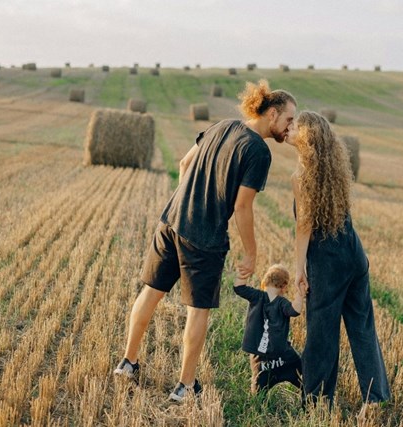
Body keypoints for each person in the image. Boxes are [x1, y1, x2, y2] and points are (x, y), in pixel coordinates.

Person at [113, 80, 297, 402]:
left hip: (171, 220)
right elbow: (242, 206)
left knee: (151, 292)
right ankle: (185, 386)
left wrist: (189, 202)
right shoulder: (258, 151)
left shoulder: (222, 125)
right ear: (271, 114)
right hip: (205, 238)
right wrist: (251, 254)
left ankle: (127, 363)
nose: (290, 127)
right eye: (288, 120)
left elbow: (184, 164)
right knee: (197, 311)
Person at [287, 111, 390, 406]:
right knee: (363, 329)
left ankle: (317, 400)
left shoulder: (302, 176)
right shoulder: (334, 170)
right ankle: (377, 398)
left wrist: (299, 269)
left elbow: (303, 226)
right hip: (354, 255)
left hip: (328, 262)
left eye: (295, 126)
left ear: (307, 136)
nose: (289, 128)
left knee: (321, 332)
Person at [233, 264, 306, 395]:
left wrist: (242, 272)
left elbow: (239, 288)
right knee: (304, 378)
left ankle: (257, 403)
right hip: (284, 356)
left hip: (260, 359)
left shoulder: (256, 296)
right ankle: (311, 397)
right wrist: (300, 293)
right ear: (284, 287)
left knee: (258, 392)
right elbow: (295, 310)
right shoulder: (282, 303)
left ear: (264, 282)